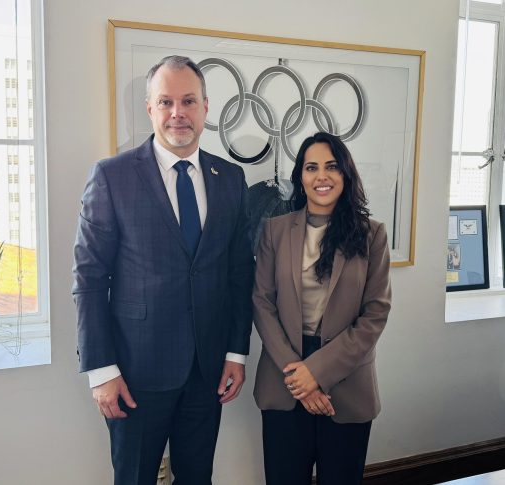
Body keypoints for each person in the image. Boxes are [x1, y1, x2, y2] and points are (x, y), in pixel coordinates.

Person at [72, 55, 254, 485]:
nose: (178, 112)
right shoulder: (112, 177)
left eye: (188, 101)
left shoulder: (230, 178)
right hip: (135, 374)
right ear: (150, 109)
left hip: (207, 371)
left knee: (197, 478)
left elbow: (239, 274)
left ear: (205, 107)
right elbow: (89, 279)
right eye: (166, 102)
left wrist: (236, 352)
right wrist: (101, 370)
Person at [252, 132, 391, 485]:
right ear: (301, 176)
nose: (322, 176)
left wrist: (317, 372)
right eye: (311, 167)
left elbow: (375, 314)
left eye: (332, 167)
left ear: (346, 173)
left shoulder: (371, 235)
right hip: (284, 377)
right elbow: (262, 302)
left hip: (346, 381)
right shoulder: (275, 231)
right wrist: (299, 376)